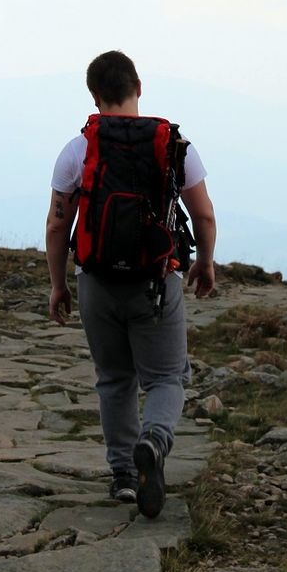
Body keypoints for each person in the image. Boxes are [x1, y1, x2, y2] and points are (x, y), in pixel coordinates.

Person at [45, 50, 216, 518]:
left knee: (114, 379)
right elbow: (202, 214)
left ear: (95, 96)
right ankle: (155, 442)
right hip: (156, 282)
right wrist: (205, 262)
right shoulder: (174, 145)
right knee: (167, 377)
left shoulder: (78, 149)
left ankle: (123, 475)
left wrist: (59, 284)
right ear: (138, 86)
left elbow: (60, 224)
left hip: (96, 281)